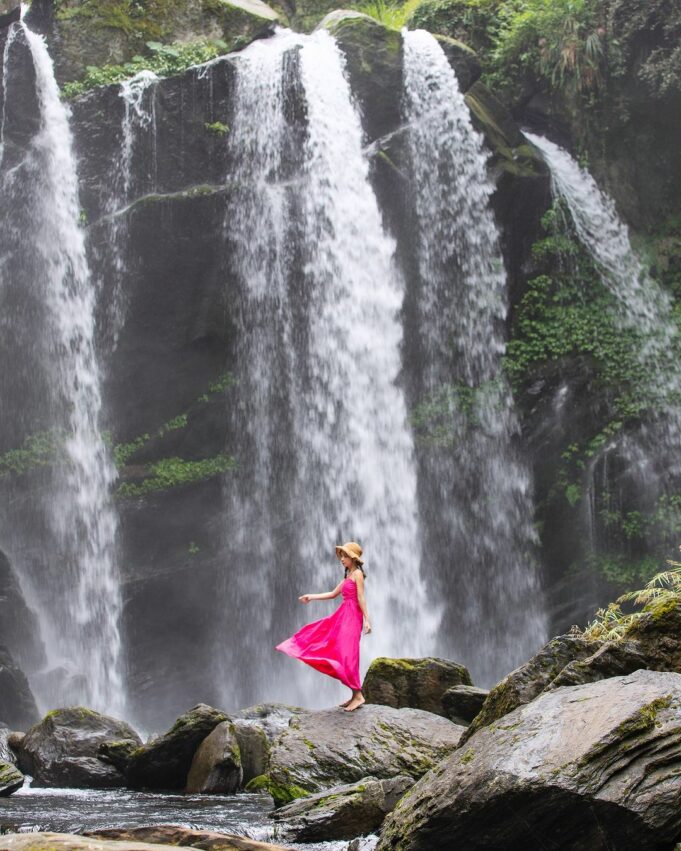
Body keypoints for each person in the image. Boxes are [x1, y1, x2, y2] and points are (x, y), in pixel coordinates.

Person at [275, 541, 372, 712]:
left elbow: (361, 597)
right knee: (337, 648)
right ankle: (353, 694)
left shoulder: (357, 574)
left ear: (353, 558)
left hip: (353, 617)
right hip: (343, 616)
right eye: (341, 556)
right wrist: (310, 596)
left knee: (348, 654)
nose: (342, 559)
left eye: (345, 556)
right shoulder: (347, 576)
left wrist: (367, 620)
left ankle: (358, 696)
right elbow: (332, 594)